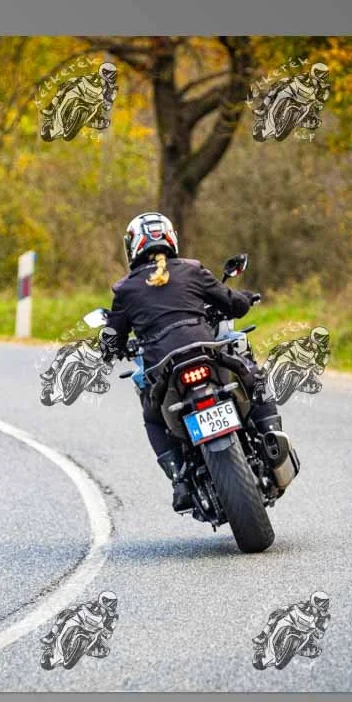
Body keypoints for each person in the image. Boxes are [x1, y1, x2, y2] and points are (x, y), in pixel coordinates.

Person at [100, 212, 287, 512]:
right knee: (254, 378)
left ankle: (180, 482)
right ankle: (271, 439)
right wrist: (244, 298)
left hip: (165, 370)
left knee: (152, 417)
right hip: (207, 353)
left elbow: (112, 340)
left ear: (133, 246)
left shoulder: (125, 289)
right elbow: (232, 303)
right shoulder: (192, 269)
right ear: (171, 238)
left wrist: (112, 348)